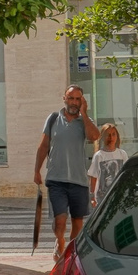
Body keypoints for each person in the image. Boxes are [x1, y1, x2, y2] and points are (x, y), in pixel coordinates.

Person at [35, 85, 100, 258]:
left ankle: (69, 255)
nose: (74, 102)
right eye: (71, 98)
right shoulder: (53, 119)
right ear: (64, 98)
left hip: (79, 180)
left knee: (78, 222)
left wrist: (84, 114)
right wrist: (37, 171)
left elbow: (95, 136)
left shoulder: (85, 121)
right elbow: (43, 146)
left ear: (82, 101)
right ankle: (60, 240)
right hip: (56, 179)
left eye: (78, 99)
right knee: (60, 220)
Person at [88, 123, 128, 207]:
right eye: (108, 135)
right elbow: (93, 176)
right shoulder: (99, 155)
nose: (111, 137)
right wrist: (92, 196)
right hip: (102, 197)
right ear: (103, 137)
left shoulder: (122, 154)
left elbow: (126, 174)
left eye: (113, 134)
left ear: (117, 136)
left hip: (118, 195)